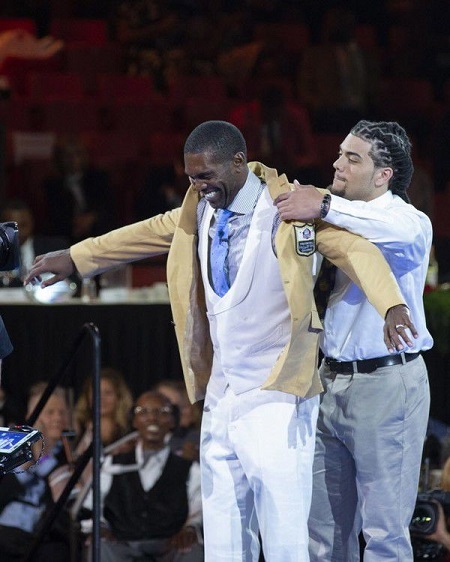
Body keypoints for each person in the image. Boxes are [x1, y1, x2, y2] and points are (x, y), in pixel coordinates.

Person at [24, 120, 413, 561]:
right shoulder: (198, 209)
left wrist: (391, 304)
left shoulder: (287, 208)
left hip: (278, 395)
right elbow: (138, 235)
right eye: (191, 177)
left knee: (285, 540)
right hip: (221, 395)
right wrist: (74, 258)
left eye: (207, 176)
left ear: (239, 162)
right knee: (224, 539)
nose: (199, 186)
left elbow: (357, 250)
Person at [275, 120, 433, 561]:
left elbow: (393, 231)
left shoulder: (408, 222)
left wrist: (322, 203)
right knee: (323, 534)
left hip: (387, 385)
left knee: (384, 535)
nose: (337, 163)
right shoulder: (338, 220)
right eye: (340, 153)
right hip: (329, 383)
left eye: (352, 157)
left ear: (383, 175)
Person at [82, 390, 203, 562]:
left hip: (168, 544)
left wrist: (190, 528)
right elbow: (92, 502)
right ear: (134, 421)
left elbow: (198, 504)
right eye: (143, 412)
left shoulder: (188, 466)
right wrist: (100, 525)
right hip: (123, 542)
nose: (152, 418)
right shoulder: (114, 462)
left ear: (172, 421)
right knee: (99, 547)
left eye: (162, 413)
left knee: (192, 550)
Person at [0, 383, 73, 561]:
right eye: (49, 412)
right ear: (32, 416)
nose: (57, 418)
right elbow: (4, 491)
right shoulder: (11, 446)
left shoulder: (69, 454)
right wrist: (35, 456)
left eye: (62, 412)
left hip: (44, 536)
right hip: (6, 528)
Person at [42, 135, 116, 244]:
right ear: (59, 158)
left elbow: (109, 206)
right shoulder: (51, 185)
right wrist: (75, 224)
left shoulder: (98, 178)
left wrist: (91, 218)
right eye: (68, 155)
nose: (73, 159)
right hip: (67, 235)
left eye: (78, 154)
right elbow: (52, 216)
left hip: (98, 231)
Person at [0, 198, 69, 287]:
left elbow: (72, 282)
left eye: (23, 225)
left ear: (32, 223)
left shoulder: (55, 248)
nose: (18, 231)